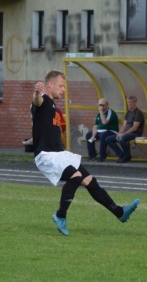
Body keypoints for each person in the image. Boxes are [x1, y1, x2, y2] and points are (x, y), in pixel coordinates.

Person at [31, 69, 139, 236]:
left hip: (59, 153)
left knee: (90, 180)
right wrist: (37, 92)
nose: (63, 90)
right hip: (46, 155)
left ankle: (120, 212)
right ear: (50, 84)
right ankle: (60, 215)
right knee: (76, 177)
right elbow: (36, 102)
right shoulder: (43, 100)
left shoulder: (53, 105)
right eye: (61, 86)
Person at [105, 95, 145, 163]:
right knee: (108, 139)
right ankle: (121, 155)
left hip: (135, 134)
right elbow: (124, 125)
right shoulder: (128, 112)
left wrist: (123, 134)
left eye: (131, 102)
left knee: (121, 139)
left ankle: (127, 156)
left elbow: (134, 128)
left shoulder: (138, 113)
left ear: (135, 102)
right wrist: (119, 133)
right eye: (128, 102)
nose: (129, 104)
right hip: (126, 133)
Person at [85, 97, 119, 162]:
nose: (101, 107)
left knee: (103, 135)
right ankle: (92, 155)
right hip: (99, 132)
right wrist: (93, 136)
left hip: (110, 131)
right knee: (88, 135)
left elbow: (104, 122)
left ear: (107, 105)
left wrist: (101, 112)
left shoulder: (110, 112)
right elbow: (95, 126)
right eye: (99, 105)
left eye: (102, 105)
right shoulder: (98, 114)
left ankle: (102, 155)